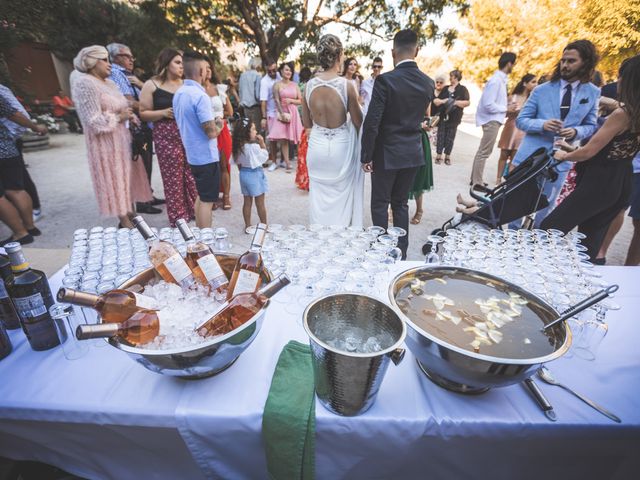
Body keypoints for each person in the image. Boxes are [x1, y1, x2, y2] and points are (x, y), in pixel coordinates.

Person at [540, 55, 640, 261]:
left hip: (600, 182)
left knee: (550, 228)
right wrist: (572, 147)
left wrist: (565, 154)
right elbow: (617, 148)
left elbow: (589, 152)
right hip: (622, 180)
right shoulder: (636, 113)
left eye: (620, 76)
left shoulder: (622, 114)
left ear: (629, 80)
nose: (617, 81)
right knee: (589, 242)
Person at [361, 29, 435, 257]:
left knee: (380, 203)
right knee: (401, 203)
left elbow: (372, 123)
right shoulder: (428, 83)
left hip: (386, 153)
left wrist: (366, 156)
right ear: (417, 50)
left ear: (393, 52)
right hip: (413, 152)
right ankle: (400, 252)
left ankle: (382, 252)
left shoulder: (385, 81)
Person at [511, 39, 600, 228]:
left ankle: (536, 248)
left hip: (561, 160)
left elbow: (591, 125)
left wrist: (576, 131)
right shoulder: (541, 90)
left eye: (571, 61)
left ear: (585, 62)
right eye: (563, 60)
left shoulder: (593, 92)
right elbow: (521, 120)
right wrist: (543, 125)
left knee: (546, 209)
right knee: (515, 207)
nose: (565, 65)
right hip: (530, 158)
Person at [70, 45, 153, 228]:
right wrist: (119, 117)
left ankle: (132, 215)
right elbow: (92, 121)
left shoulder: (110, 83)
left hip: (123, 139)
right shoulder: (85, 83)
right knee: (114, 182)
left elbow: (122, 105)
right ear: (92, 62)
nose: (109, 64)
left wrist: (129, 116)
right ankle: (125, 222)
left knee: (126, 181)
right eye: (105, 60)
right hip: (105, 144)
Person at [302, 34, 364, 227]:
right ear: (339, 56)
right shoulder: (347, 86)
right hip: (340, 148)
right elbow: (358, 121)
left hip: (317, 147)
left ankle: (319, 239)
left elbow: (307, 122)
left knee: (318, 199)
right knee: (341, 199)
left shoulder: (308, 86)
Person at [139, 48, 198, 227]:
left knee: (192, 174)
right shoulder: (152, 85)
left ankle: (195, 210)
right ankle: (178, 217)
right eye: (177, 62)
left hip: (188, 135)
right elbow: (143, 113)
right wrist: (163, 112)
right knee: (172, 177)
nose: (182, 66)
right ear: (166, 63)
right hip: (165, 136)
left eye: (182, 63)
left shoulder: (186, 84)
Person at [106, 42, 163, 214]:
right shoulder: (117, 74)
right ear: (115, 57)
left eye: (132, 56)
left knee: (145, 160)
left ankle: (147, 195)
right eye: (127, 56)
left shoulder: (128, 75)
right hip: (136, 129)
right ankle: (142, 200)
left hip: (142, 127)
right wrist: (149, 108)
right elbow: (128, 101)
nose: (131, 60)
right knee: (141, 162)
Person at [173, 51, 224, 229]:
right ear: (201, 71)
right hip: (206, 156)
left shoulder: (179, 93)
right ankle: (206, 240)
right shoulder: (200, 96)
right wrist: (220, 125)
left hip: (192, 154)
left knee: (201, 197)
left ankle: (201, 237)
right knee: (208, 200)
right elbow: (210, 132)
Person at [0, 91, 47, 245]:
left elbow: (14, 114)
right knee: (17, 189)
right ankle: (30, 227)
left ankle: (20, 233)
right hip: (8, 147)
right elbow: (14, 113)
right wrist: (34, 127)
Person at [470, 52, 518, 190]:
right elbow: (488, 104)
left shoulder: (500, 80)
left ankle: (475, 179)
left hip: (494, 119)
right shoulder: (496, 80)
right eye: (514, 64)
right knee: (484, 151)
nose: (513, 67)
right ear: (509, 63)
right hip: (491, 120)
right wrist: (506, 108)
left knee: (483, 150)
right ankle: (476, 182)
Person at [496, 73, 538, 184]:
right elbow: (503, 114)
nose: (536, 84)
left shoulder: (533, 100)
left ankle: (507, 181)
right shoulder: (512, 97)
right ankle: (498, 179)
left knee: (515, 158)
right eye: (533, 82)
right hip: (509, 128)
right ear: (525, 83)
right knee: (503, 155)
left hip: (522, 132)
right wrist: (508, 110)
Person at [204, 57, 233, 210]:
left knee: (223, 164)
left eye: (209, 67)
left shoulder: (219, 89)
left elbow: (230, 110)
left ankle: (226, 196)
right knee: (210, 165)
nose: (207, 70)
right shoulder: (197, 90)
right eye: (204, 67)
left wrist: (220, 119)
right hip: (205, 130)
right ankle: (213, 195)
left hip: (221, 129)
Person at [232, 118, 268, 232]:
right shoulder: (254, 147)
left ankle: (248, 225)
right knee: (260, 203)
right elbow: (264, 157)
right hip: (255, 175)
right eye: (253, 129)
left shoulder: (238, 147)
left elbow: (238, 164)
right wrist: (262, 143)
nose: (256, 132)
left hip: (244, 174)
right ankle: (264, 225)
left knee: (247, 202)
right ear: (246, 133)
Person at [269, 62, 303, 172]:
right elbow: (276, 100)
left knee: (297, 138)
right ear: (281, 71)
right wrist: (281, 112)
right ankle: (288, 163)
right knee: (284, 138)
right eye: (286, 70)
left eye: (290, 70)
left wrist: (291, 101)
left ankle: (302, 162)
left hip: (293, 112)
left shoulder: (295, 85)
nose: (288, 72)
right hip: (281, 112)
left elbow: (300, 100)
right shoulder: (277, 85)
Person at [433, 69, 469, 166]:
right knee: (440, 136)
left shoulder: (463, 89)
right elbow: (437, 100)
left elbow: (467, 102)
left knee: (450, 137)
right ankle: (439, 155)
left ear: (456, 77)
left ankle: (447, 156)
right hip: (443, 116)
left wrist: (454, 102)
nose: (450, 79)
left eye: (451, 77)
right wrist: (445, 101)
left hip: (454, 118)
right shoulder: (445, 88)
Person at [295, 67, 313, 191]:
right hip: (308, 125)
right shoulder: (307, 88)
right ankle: (306, 181)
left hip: (315, 125)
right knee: (304, 153)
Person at [260, 59, 279, 170]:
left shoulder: (279, 76)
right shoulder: (264, 81)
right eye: (270, 71)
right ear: (266, 69)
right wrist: (263, 117)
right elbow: (263, 101)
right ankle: (273, 161)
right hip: (271, 113)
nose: (272, 73)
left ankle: (281, 160)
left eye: (274, 70)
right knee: (272, 139)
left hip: (281, 111)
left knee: (282, 138)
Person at [239, 57, 262, 128]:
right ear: (258, 65)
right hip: (255, 108)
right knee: (256, 130)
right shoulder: (258, 76)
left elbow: (240, 91)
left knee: (247, 131)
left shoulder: (242, 76)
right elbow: (258, 95)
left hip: (245, 108)